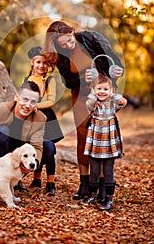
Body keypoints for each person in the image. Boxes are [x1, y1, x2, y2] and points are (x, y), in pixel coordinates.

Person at [42, 20, 124, 200]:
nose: (68, 45)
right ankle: (84, 184)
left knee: (102, 137)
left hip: (102, 95)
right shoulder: (61, 55)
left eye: (69, 39)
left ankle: (103, 186)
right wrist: (81, 78)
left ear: (72, 31)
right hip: (80, 97)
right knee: (83, 138)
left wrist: (116, 71)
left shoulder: (90, 38)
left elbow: (114, 60)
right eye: (63, 44)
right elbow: (67, 82)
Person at [0, 81, 46, 185]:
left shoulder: (39, 118)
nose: (28, 105)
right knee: (3, 130)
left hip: (18, 160)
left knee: (47, 145)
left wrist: (32, 164)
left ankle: (14, 180)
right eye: (25, 99)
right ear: (16, 97)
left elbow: (37, 147)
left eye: (33, 102)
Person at [79, 75, 127, 211]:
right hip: (95, 142)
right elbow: (89, 102)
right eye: (99, 88)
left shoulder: (112, 103)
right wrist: (94, 93)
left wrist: (112, 94)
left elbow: (124, 102)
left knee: (108, 171)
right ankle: (92, 196)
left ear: (110, 90)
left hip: (109, 142)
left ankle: (108, 199)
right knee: (94, 171)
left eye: (105, 89)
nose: (102, 91)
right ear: (94, 90)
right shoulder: (93, 103)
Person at [23, 46, 64, 196]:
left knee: (49, 149)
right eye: (38, 62)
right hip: (30, 119)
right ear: (33, 63)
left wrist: (35, 105)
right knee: (35, 147)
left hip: (46, 118)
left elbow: (51, 100)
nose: (41, 66)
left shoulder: (49, 80)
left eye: (45, 63)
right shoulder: (27, 80)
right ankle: (36, 179)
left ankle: (51, 182)